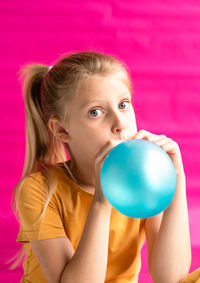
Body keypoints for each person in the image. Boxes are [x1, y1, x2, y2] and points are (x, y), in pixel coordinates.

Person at [8, 50, 198, 283]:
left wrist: (176, 181)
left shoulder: (143, 180)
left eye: (123, 104)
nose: (120, 124)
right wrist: (102, 199)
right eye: (95, 112)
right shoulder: (38, 190)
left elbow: (171, 277)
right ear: (62, 130)